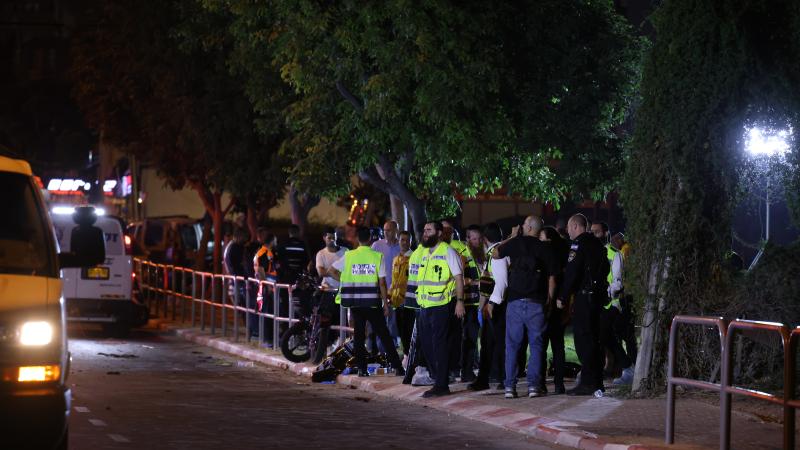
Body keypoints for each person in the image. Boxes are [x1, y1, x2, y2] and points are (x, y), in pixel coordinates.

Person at [493, 216, 557, 399]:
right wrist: (549, 300)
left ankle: (510, 387)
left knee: (512, 345)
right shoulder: (545, 248)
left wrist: (512, 237)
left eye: (523, 224)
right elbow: (552, 277)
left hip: (515, 301)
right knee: (536, 346)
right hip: (536, 301)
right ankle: (534, 387)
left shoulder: (515, 243)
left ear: (528, 227)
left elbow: (495, 253)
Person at [331, 227, 404, 377]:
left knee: (359, 337)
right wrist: (385, 304)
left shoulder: (349, 256)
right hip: (373, 303)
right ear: (370, 239)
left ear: (358, 239)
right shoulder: (377, 256)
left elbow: (331, 270)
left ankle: (362, 369)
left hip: (356, 303)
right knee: (384, 335)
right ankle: (398, 367)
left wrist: (343, 281)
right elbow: (382, 282)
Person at [556, 214, 609, 396]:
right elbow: (605, 269)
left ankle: (587, 382)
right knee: (595, 340)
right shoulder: (598, 244)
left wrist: (563, 296)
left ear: (576, 227)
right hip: (597, 298)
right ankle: (598, 381)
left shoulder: (578, 245)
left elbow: (572, 272)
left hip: (584, 298)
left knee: (583, 340)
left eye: (569, 227)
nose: (567, 231)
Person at [416, 221, 465, 397]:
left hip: (441, 305)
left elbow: (459, 278)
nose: (425, 233)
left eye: (428, 230)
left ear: (438, 233)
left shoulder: (447, 251)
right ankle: (438, 378)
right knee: (427, 346)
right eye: (424, 230)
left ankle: (442, 384)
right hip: (424, 306)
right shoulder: (424, 252)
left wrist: (460, 301)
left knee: (439, 346)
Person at [468, 223, 508, 392]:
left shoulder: (497, 254)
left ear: (485, 239)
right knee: (487, 343)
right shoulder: (494, 253)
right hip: (492, 305)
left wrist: (490, 304)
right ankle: (485, 378)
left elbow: (501, 282)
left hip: (496, 306)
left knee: (498, 343)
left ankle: (501, 378)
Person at [538, 226, 569, 394]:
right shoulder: (562, 257)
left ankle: (541, 383)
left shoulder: (547, 257)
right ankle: (558, 384)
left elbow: (552, 280)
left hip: (547, 305)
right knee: (558, 346)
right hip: (558, 305)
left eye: (542, 239)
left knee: (542, 345)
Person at [460, 224, 484, 383]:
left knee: (477, 339)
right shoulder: (464, 255)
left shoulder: (481, 255)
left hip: (480, 303)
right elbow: (460, 279)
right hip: (469, 304)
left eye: (479, 238)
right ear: (468, 239)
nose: (477, 242)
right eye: (474, 239)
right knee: (469, 338)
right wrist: (476, 282)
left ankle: (474, 367)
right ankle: (466, 371)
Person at [372, 220, 402, 341]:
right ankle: (379, 348)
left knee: (393, 324)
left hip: (396, 292)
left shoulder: (402, 246)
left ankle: (393, 346)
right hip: (380, 290)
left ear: (396, 231)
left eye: (389, 230)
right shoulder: (376, 246)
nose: (385, 233)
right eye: (384, 230)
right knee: (380, 323)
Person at [389, 230, 414, 355]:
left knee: (407, 332)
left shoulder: (414, 258)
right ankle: (405, 355)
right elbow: (394, 281)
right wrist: (389, 295)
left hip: (409, 301)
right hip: (397, 301)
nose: (404, 242)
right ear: (398, 241)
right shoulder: (396, 259)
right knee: (400, 331)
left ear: (411, 242)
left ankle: (409, 357)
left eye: (407, 240)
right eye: (402, 240)